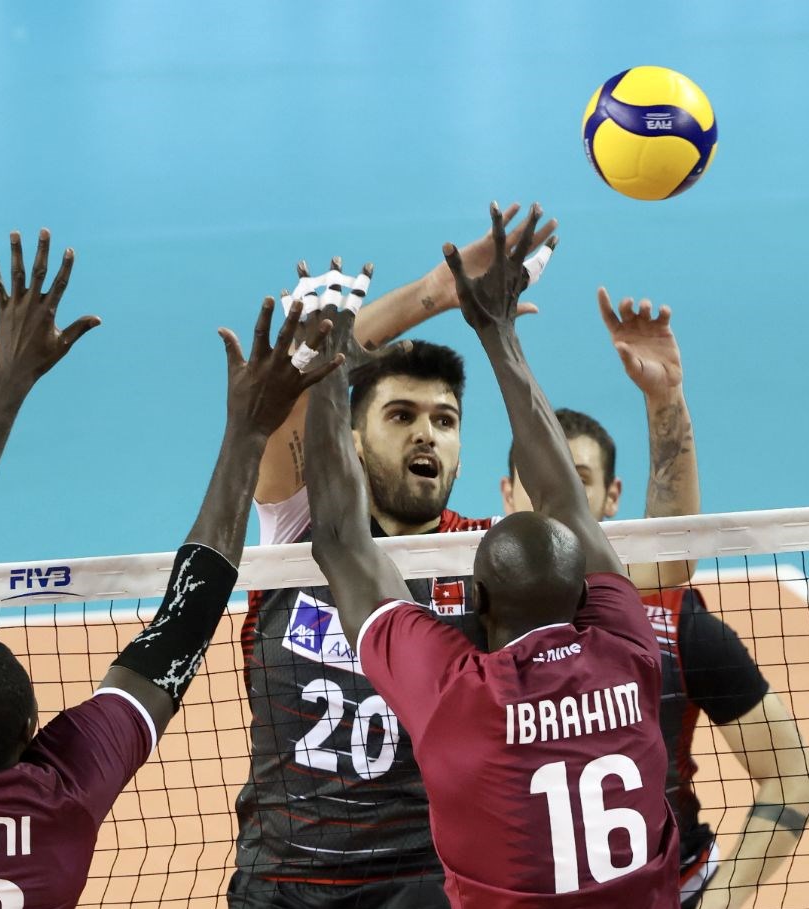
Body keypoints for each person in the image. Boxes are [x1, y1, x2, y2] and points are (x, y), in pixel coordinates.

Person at [0, 230, 337, 908]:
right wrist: (248, 431)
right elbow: (180, 628)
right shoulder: (56, 805)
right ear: (32, 736)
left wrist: (6, 381)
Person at [302, 203, 679, 907]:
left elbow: (341, 541)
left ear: (475, 603)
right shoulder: (629, 652)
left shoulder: (461, 698)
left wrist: (326, 372)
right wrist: (499, 331)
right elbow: (566, 503)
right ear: (587, 596)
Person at [228, 206, 564, 908]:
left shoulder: (487, 557)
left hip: (429, 884)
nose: (427, 435)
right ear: (351, 438)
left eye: (445, 420)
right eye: (401, 415)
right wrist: (434, 294)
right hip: (285, 884)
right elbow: (294, 401)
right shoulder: (295, 529)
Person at [500, 292, 809, 908]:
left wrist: (665, 398)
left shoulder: (672, 624)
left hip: (672, 890)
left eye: (577, 482)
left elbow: (792, 777)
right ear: (508, 492)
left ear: (611, 497)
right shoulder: (462, 608)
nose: (556, 499)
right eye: (538, 482)